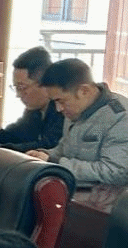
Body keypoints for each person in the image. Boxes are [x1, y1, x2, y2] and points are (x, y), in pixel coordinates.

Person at [27, 58, 128, 186]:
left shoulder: (120, 117)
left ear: (84, 91)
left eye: (61, 101)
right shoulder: (75, 109)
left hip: (106, 196)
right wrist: (44, 155)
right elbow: (64, 149)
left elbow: (115, 172)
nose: (59, 109)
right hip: (72, 188)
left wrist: (56, 163)